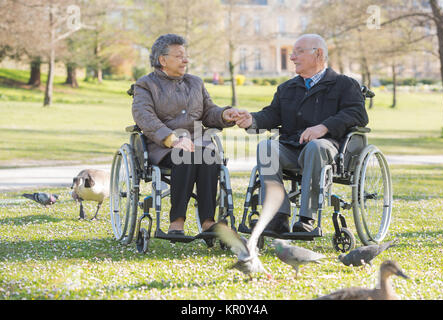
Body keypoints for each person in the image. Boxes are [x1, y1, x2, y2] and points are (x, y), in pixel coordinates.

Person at [235, 34, 369, 234]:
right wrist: (252, 120)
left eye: (298, 52)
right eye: (292, 53)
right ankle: (277, 217)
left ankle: (306, 218)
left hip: (328, 148)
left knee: (316, 146)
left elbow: (357, 114)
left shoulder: (344, 84)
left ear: (319, 54)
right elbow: (272, 114)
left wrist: (323, 127)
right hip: (292, 147)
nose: (292, 58)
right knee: (266, 147)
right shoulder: (287, 88)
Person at [132, 34, 239, 235]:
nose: (186, 60)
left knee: (209, 156)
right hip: (164, 146)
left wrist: (225, 114)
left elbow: (208, 112)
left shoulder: (195, 83)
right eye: (179, 56)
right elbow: (144, 116)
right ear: (162, 60)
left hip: (198, 142)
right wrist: (172, 139)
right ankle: (177, 221)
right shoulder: (146, 85)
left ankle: (208, 222)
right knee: (186, 154)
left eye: (185, 55)